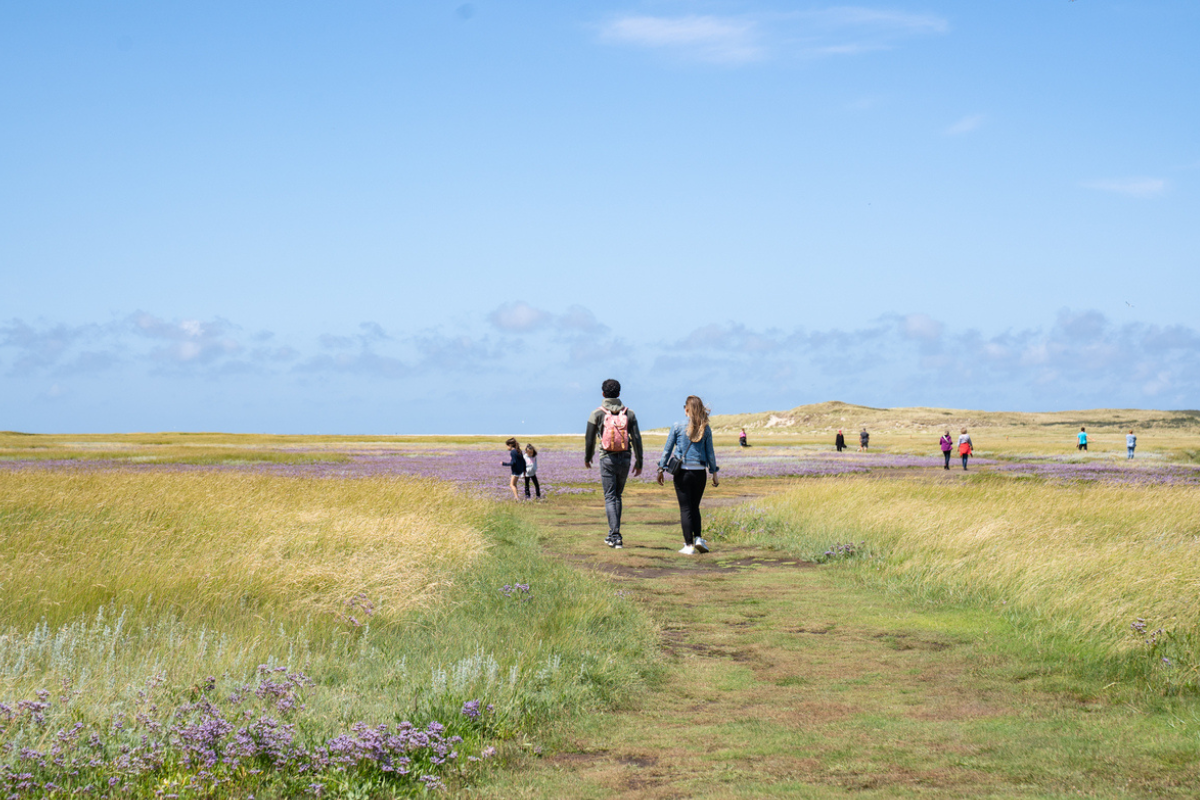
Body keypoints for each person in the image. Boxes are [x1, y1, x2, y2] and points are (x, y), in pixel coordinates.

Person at [584, 379, 644, 549]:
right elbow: (637, 439)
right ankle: (614, 534)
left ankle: (615, 536)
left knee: (610, 496)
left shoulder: (597, 413)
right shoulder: (629, 413)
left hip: (607, 458)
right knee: (617, 495)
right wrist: (639, 461)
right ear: (619, 394)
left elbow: (589, 439)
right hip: (625, 457)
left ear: (603, 394)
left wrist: (588, 457)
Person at [657, 395, 720, 555]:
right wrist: (714, 472)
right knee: (694, 507)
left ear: (687, 409)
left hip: (682, 473)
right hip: (699, 474)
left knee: (685, 509)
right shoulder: (705, 428)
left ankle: (688, 545)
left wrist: (661, 468)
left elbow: (667, 449)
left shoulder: (677, 426)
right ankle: (698, 538)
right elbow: (710, 453)